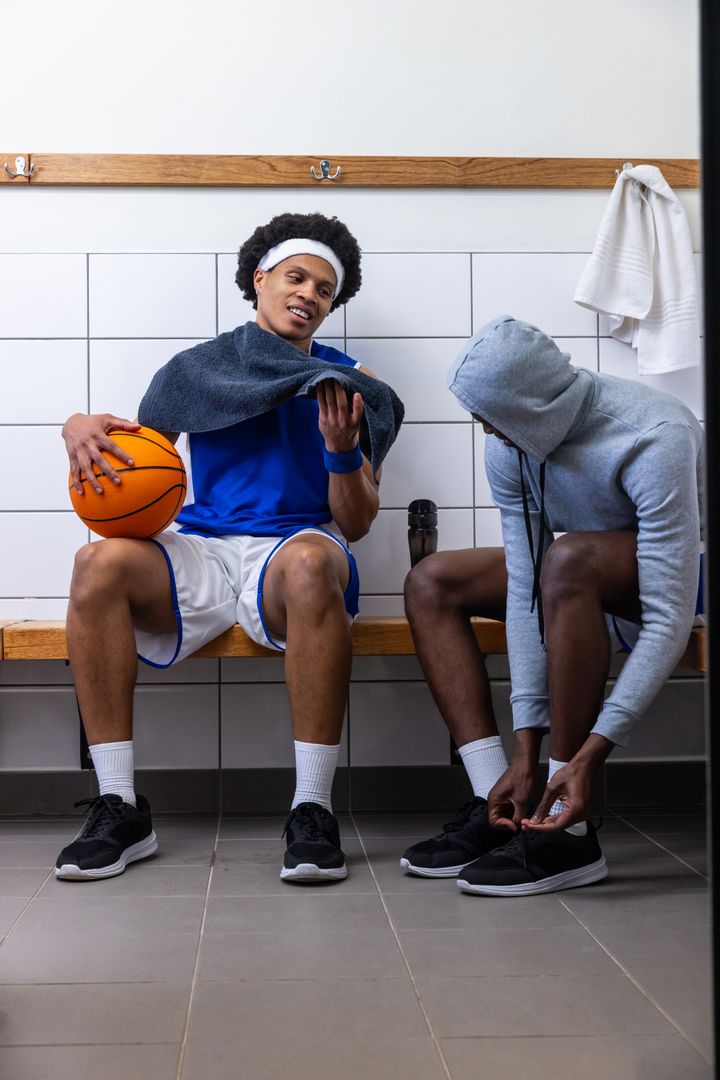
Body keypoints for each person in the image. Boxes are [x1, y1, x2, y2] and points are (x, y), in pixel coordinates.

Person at [56, 212, 402, 883]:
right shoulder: (196, 372)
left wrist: (339, 452)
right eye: (296, 276)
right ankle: (120, 807)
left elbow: (355, 524)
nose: (308, 293)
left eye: (325, 289)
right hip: (204, 552)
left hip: (293, 552)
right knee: (94, 562)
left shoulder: (349, 389)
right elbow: (135, 451)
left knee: (309, 561)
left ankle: (311, 809)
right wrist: (76, 425)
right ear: (260, 279)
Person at [402, 315, 703, 896]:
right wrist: (525, 747)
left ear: (534, 406)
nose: (485, 432)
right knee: (432, 580)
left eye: (492, 419)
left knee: (566, 561)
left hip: (685, 569)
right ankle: (505, 802)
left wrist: (587, 755)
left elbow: (671, 611)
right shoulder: (512, 445)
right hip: (577, 573)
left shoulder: (655, 432)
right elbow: (525, 588)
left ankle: (567, 830)